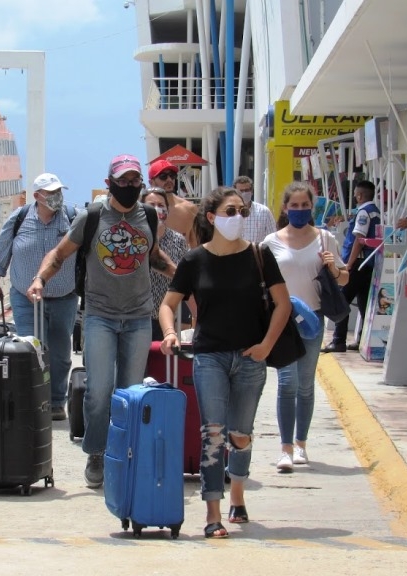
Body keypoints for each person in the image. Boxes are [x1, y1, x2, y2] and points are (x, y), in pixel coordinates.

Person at [27, 154, 176, 488]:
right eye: (122, 181)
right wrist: (40, 279)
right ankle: (96, 452)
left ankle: (122, 453)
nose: (128, 187)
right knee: (98, 391)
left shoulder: (148, 216)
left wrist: (182, 278)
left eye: (134, 181)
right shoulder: (91, 217)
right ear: (109, 183)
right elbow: (60, 254)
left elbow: (153, 257)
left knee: (129, 391)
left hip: (139, 316)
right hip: (99, 316)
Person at [158, 186, 291, 539]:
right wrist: (171, 333)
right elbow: (168, 304)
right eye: (231, 211)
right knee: (213, 434)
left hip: (250, 358)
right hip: (209, 357)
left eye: (242, 212)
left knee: (240, 435)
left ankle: (238, 493)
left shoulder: (260, 255)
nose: (238, 218)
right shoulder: (194, 260)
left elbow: (283, 304)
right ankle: (213, 513)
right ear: (212, 217)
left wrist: (265, 345)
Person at [262, 182, 348, 473]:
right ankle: (285, 448)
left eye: (304, 205)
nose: (299, 210)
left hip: (312, 320)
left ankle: (301, 444)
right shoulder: (270, 242)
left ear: (312, 207)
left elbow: (344, 278)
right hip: (282, 320)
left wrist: (333, 268)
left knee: (305, 386)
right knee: (287, 383)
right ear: (285, 208)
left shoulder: (324, 238)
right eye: (294, 206)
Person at [0, 172, 78, 421]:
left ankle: (57, 401)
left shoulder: (72, 218)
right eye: (51, 193)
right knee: (32, 348)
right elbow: (1, 248)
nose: (57, 197)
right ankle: (35, 399)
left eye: (59, 191)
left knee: (59, 353)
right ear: (37, 196)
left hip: (63, 297)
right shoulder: (20, 218)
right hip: (25, 297)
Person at [322, 180, 380, 353]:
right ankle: (362, 339)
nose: (354, 197)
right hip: (368, 264)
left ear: (360, 195)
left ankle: (338, 341)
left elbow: (358, 240)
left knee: (342, 300)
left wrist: (349, 263)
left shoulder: (364, 212)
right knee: (363, 302)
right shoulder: (375, 211)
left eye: (355, 194)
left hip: (358, 264)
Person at [142, 186, 194, 339]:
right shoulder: (136, 238)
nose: (157, 209)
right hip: (140, 317)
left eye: (161, 205)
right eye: (151, 206)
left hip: (170, 316)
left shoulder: (178, 240)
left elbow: (184, 277)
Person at [148, 158, 200, 248]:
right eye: (163, 176)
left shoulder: (190, 209)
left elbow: (196, 244)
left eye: (172, 175)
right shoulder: (144, 210)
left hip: (182, 261)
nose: (169, 179)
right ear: (151, 182)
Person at [233, 175, 276, 243]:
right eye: (241, 191)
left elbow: (273, 236)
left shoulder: (264, 211)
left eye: (247, 190)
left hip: (257, 252)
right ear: (235, 192)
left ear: (252, 191)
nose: (244, 193)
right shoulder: (230, 213)